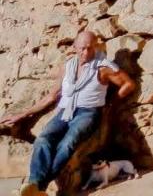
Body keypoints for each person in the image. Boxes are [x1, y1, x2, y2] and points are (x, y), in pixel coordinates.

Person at [0, 30, 137, 196]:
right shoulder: (67, 67)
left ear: (96, 47)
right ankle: (35, 187)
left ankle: (37, 187)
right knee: (43, 139)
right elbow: (52, 96)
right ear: (74, 47)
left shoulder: (103, 67)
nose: (86, 52)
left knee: (67, 143)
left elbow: (128, 85)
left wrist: (110, 103)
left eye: (90, 48)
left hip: (87, 113)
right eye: (82, 48)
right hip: (65, 112)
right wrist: (23, 114)